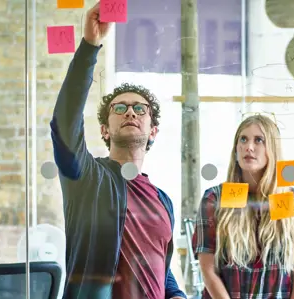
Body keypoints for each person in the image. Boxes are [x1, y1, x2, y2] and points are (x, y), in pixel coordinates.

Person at [50, 2, 186, 299]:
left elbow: (162, 271)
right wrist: (89, 46)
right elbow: (64, 125)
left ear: (153, 131)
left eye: (140, 109)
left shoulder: (163, 201)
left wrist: (177, 295)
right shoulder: (87, 178)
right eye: (119, 108)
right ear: (104, 130)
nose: (130, 113)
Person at [192, 114, 294, 299]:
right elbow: (208, 268)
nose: (248, 147)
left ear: (272, 150)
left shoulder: (293, 199)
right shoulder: (214, 198)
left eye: (259, 140)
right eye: (243, 139)